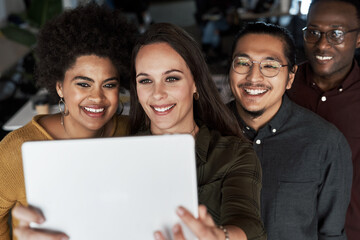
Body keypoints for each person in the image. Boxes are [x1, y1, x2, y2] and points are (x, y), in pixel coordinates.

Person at [12, 23, 267, 240]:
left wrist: (220, 236)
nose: (157, 93)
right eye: (146, 80)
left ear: (195, 84)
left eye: (172, 78)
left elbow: (247, 223)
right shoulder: (112, 155)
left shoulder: (233, 154)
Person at [0, 3, 136, 240]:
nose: (97, 97)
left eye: (109, 84)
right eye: (83, 84)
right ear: (60, 86)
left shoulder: (132, 134)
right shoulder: (16, 150)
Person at [227, 22, 352, 239]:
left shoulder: (325, 143)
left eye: (270, 66)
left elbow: (331, 234)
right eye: (243, 62)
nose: (254, 77)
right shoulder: (202, 131)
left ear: (290, 77)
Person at [286, 1, 360, 238]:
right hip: (286, 229)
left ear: (359, 38)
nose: (322, 44)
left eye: (336, 34)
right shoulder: (282, 85)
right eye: (313, 32)